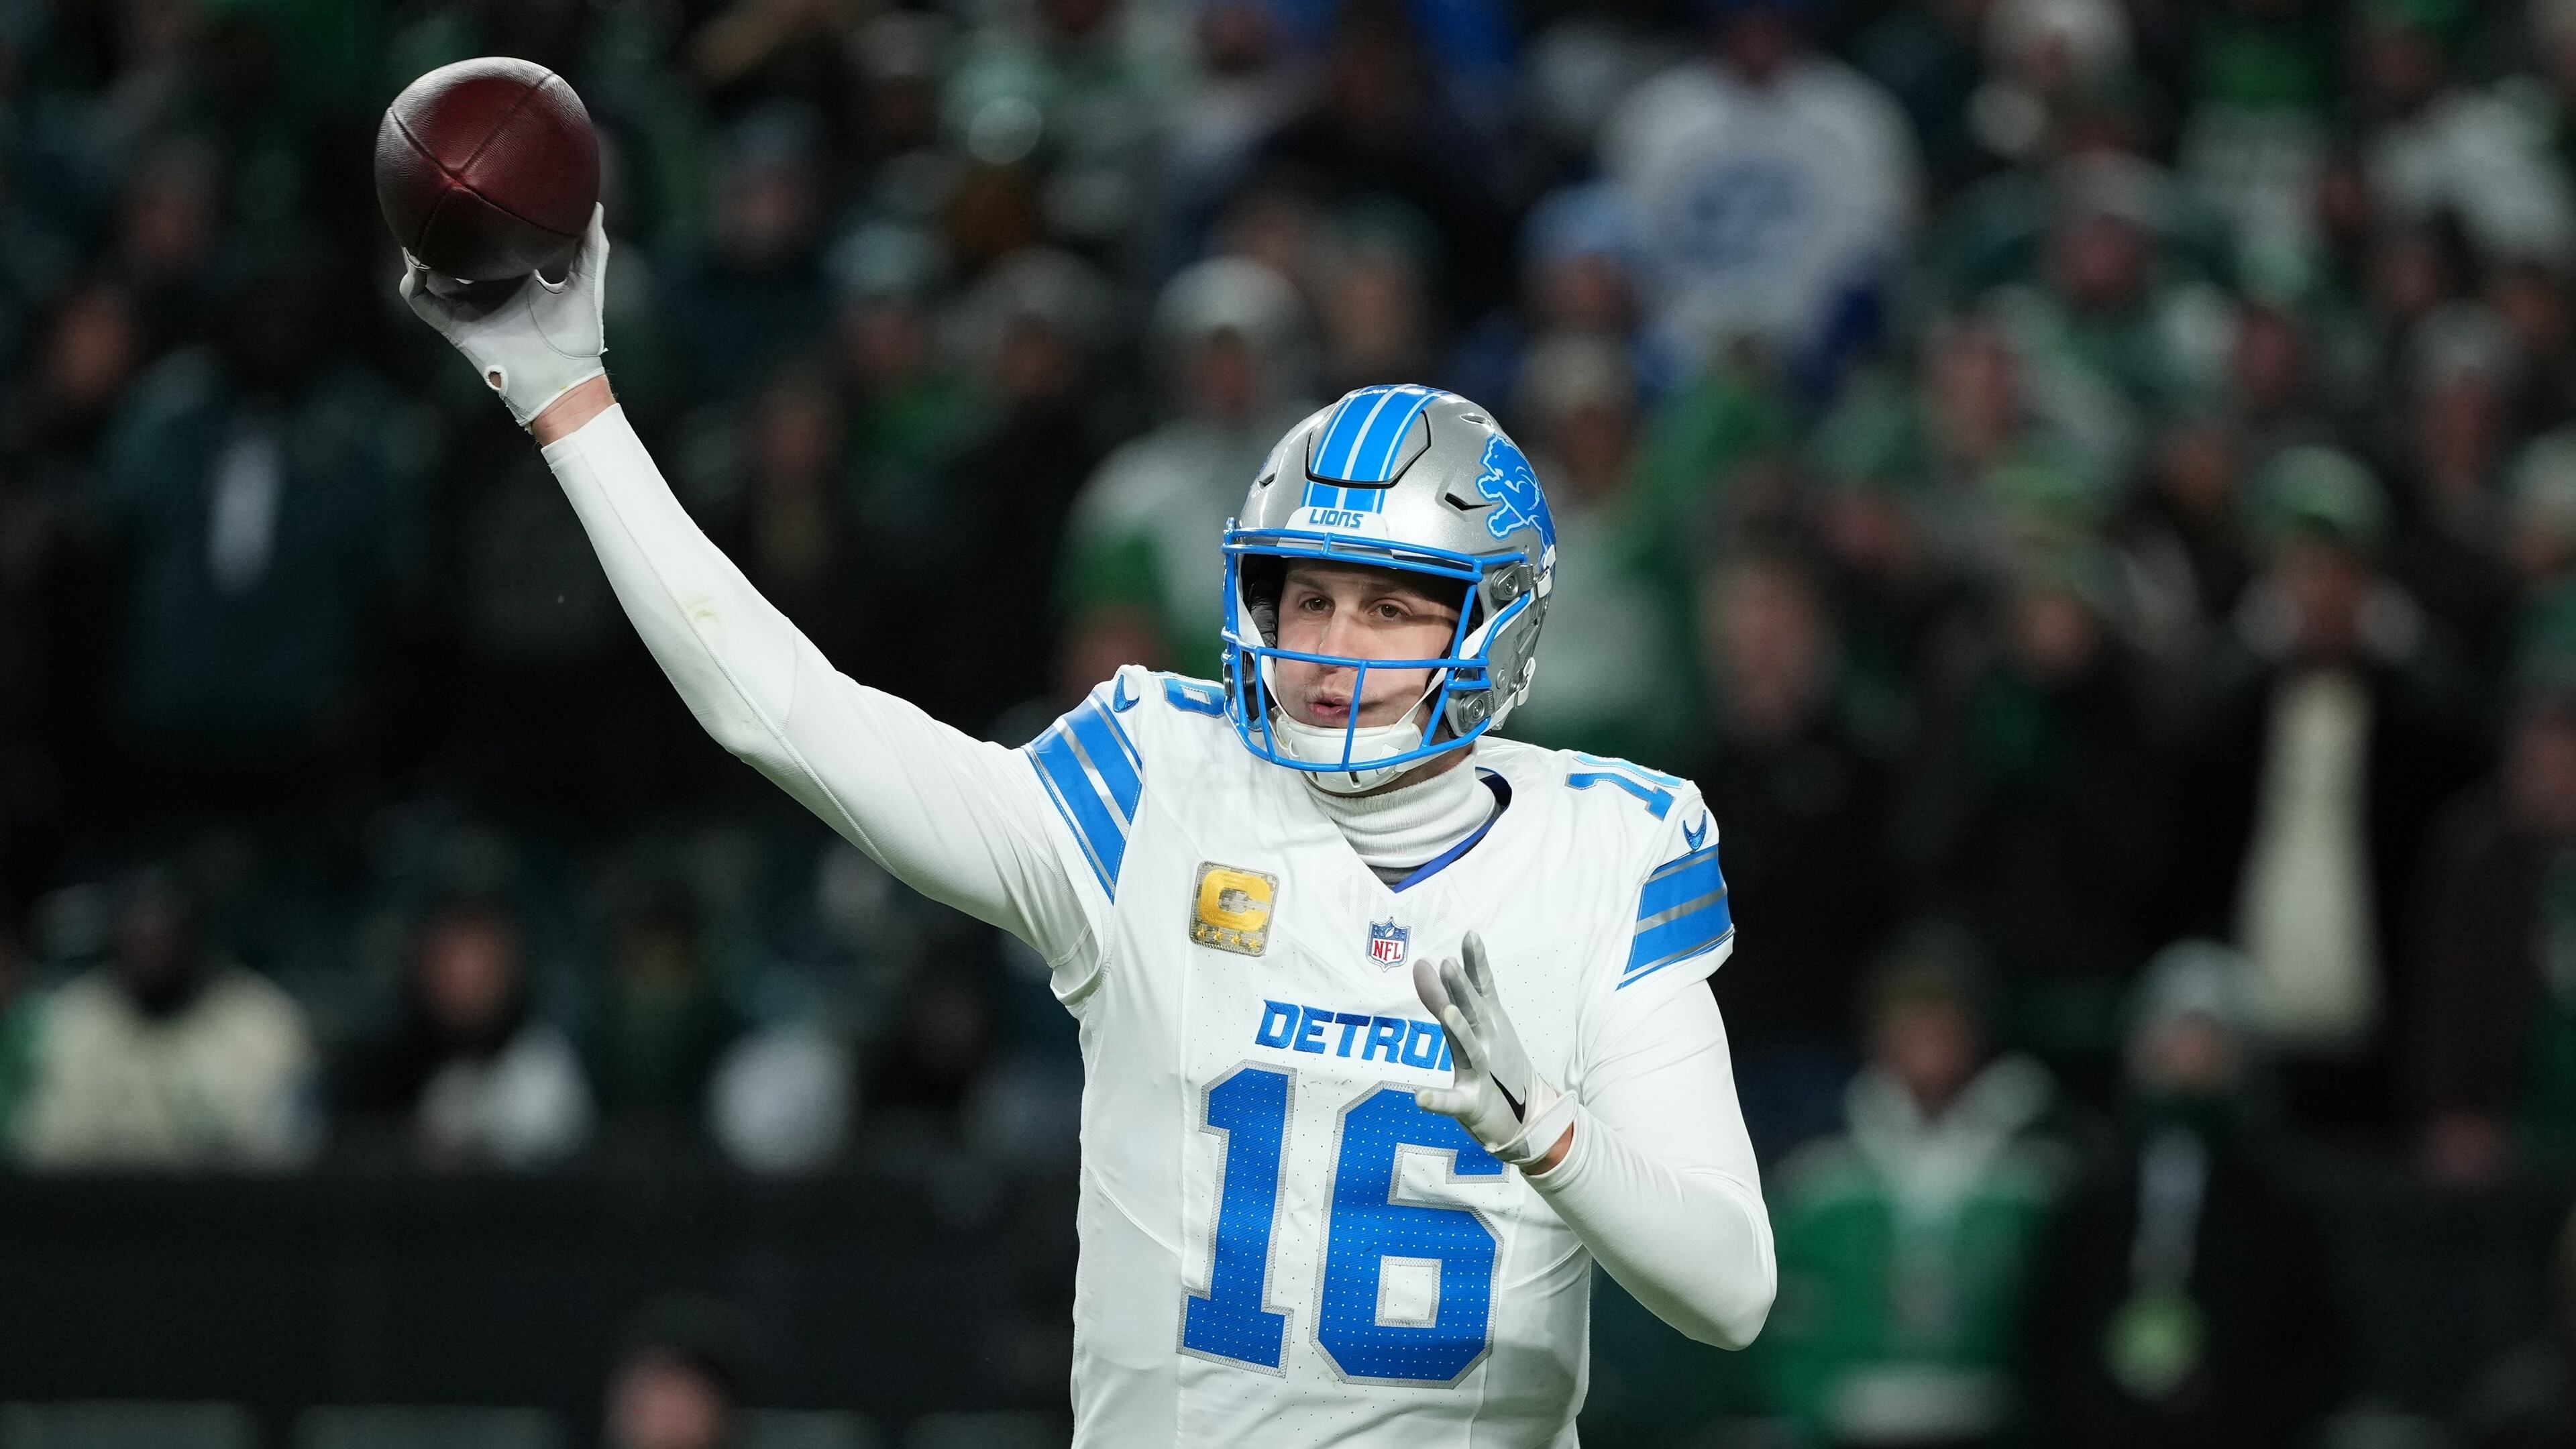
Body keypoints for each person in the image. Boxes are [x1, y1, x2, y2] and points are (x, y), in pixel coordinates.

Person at [400, 210, 1773, 1444]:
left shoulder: (1610, 848)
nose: (1332, 645)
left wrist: (1550, 1133)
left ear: (1495, 625)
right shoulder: (1154, 784)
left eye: (1392, 603)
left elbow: (1730, 1289)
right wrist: (571, 403)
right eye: (1306, 598)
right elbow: (787, 715)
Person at [14, 868, 317, 1169]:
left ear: (194, 936)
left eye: (165, 936)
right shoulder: (70, 1022)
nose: (152, 953)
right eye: (139, 938)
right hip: (96, 1211)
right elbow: (43, 1151)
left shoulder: (264, 1024)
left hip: (229, 1211)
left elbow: (287, 1154)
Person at [339, 899, 594, 1170]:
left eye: (478, 966)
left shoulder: (541, 1069)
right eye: (450, 964)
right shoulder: (387, 1068)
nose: (462, 981)